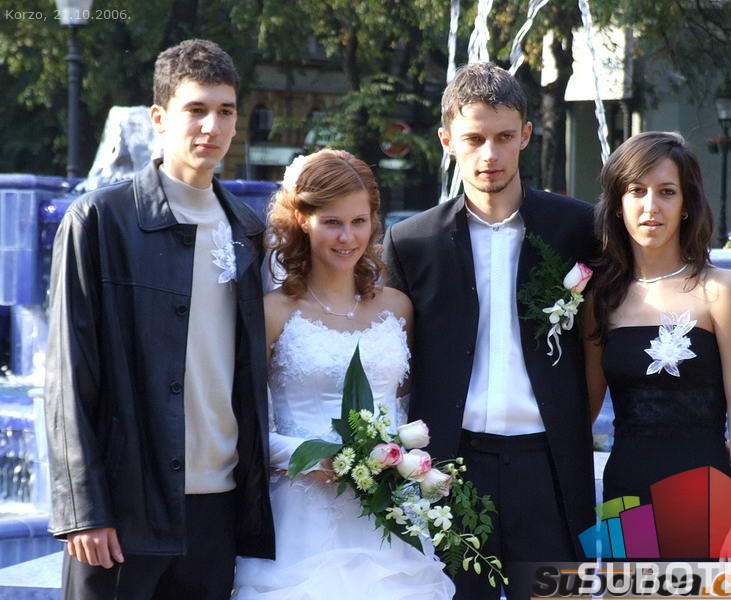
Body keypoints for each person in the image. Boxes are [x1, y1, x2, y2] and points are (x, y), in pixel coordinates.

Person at [45, 39, 274, 599]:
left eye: (225, 111)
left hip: (218, 509)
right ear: (159, 118)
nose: (211, 126)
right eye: (196, 109)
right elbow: (68, 376)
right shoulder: (98, 222)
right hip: (123, 514)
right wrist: (83, 510)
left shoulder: (247, 230)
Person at [383, 62, 597, 600]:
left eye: (504, 137)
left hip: (550, 469)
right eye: (474, 139)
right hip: (452, 471)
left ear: (526, 134)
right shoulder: (412, 243)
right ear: (447, 140)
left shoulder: (578, 229)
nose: (490, 154)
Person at [233, 149, 455, 599]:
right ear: (302, 219)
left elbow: (403, 408)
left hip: (388, 518)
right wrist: (306, 455)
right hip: (301, 518)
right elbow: (243, 423)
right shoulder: (273, 312)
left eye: (359, 221)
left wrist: (397, 457)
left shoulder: (397, 308)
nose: (347, 237)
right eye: (332, 222)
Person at [585, 131, 731, 513]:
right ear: (618, 205)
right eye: (636, 191)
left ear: (685, 205)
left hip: (705, 502)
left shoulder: (720, 290)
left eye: (666, 192)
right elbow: (585, 411)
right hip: (623, 503)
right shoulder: (600, 298)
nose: (651, 206)